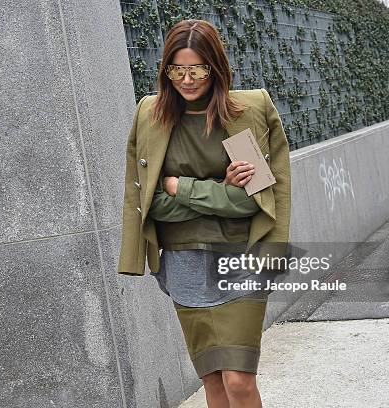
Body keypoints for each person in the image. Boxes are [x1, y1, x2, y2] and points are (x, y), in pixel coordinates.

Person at [117, 19, 291, 408]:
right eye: (177, 69)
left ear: (216, 66)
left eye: (198, 69)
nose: (188, 79)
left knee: (239, 380)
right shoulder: (150, 115)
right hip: (184, 263)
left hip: (241, 259)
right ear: (166, 70)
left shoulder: (247, 111)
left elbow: (255, 200)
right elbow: (152, 205)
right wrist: (223, 191)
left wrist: (181, 186)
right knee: (213, 381)